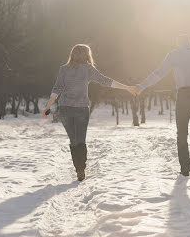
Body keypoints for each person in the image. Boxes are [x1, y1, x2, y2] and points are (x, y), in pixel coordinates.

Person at [132, 34, 190, 178]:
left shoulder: (174, 54)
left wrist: (142, 86)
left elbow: (158, 73)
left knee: (182, 133)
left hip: (183, 95)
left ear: (178, 43)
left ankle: (185, 168)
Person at [43, 44, 136, 181]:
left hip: (65, 108)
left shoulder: (64, 69)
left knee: (73, 140)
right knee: (80, 140)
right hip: (81, 109)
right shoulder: (87, 69)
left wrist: (48, 107)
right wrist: (126, 87)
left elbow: (56, 89)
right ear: (87, 55)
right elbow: (106, 81)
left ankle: (78, 169)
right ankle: (81, 169)